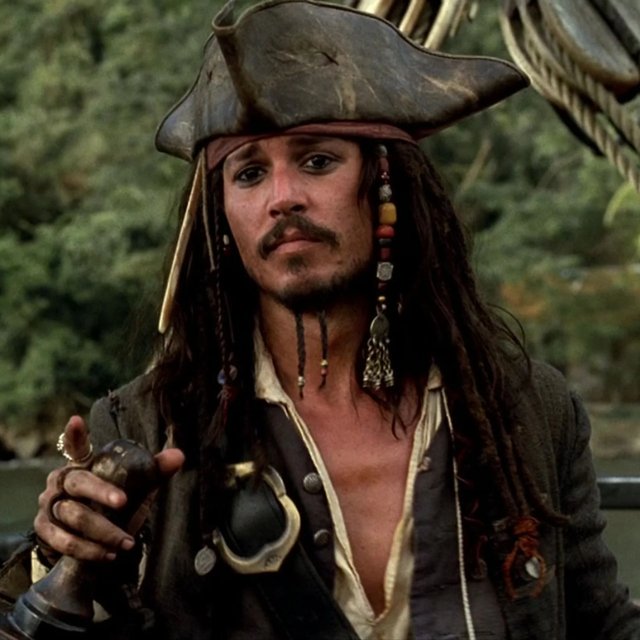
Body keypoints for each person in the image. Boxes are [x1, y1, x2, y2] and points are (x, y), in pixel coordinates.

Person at [3, 0, 639, 638]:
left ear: (388, 186)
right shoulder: (149, 428)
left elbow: (602, 623)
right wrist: (75, 560)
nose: (283, 198)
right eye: (250, 173)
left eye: (317, 161)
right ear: (222, 218)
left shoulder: (530, 411)